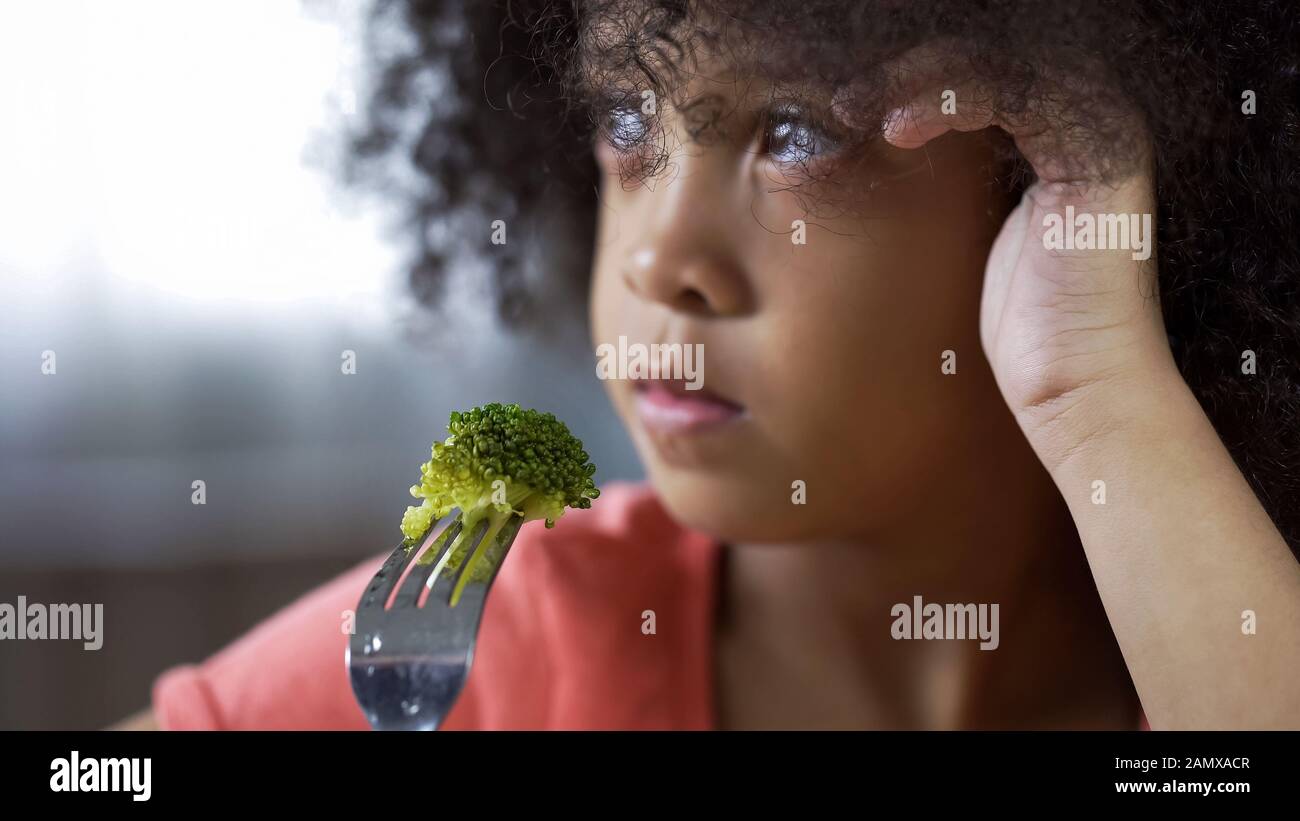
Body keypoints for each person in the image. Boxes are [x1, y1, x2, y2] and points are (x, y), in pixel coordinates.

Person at [117, 0, 1300, 730]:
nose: (658, 256)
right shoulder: (489, 642)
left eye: (795, 134)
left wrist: (1096, 391)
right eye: (628, 120)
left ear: (1039, 188)